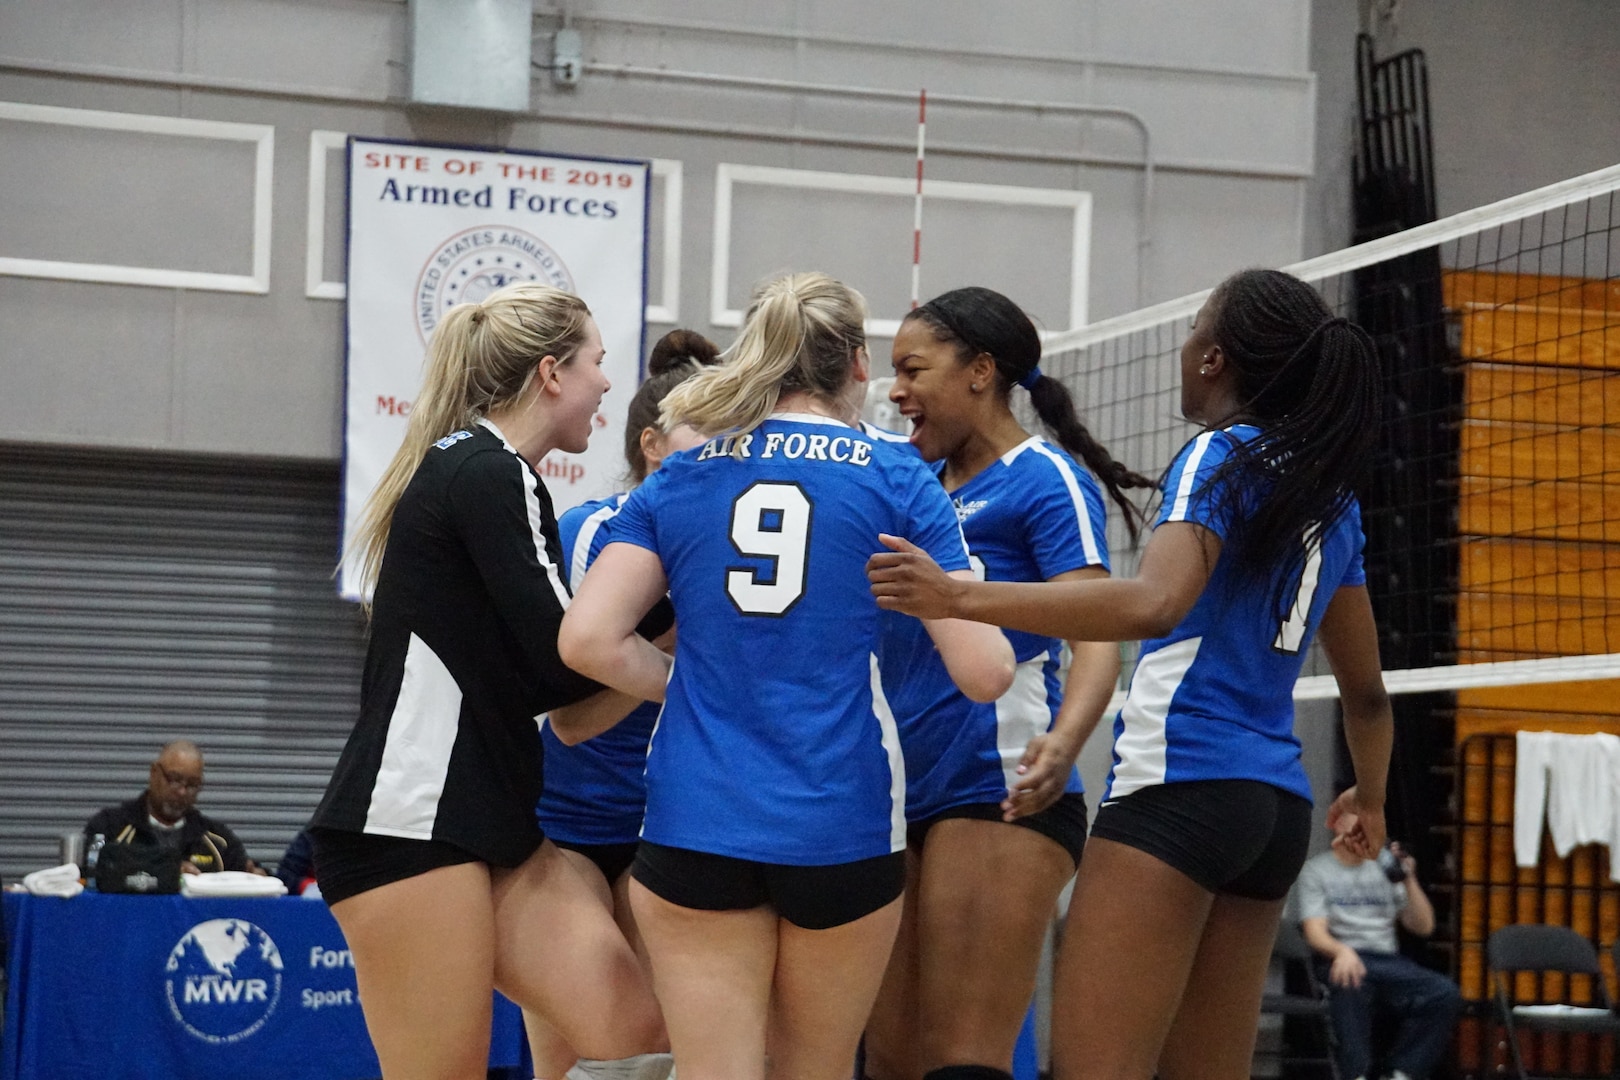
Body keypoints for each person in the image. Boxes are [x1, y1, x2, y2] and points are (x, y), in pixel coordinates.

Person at [866, 268, 1395, 1080]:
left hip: (1176, 785)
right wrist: (1371, 793)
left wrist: (959, 597)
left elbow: (1151, 604)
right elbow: (1366, 691)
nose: (1181, 351)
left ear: (1215, 360)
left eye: (1191, 335)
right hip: (1275, 806)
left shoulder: (1216, 456)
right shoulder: (1329, 492)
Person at [558, 271, 1017, 1080]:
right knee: (817, 1066)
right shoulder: (895, 474)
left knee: (711, 1070)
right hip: (841, 820)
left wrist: (682, 683)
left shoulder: (684, 472)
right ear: (858, 363)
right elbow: (985, 675)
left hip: (696, 813)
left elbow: (587, 641)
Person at [309, 282, 664, 1080]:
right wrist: (677, 599)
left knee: (639, 1027)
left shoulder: (492, 473)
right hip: (410, 829)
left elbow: (546, 693)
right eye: (598, 363)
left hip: (490, 824)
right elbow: (563, 658)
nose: (609, 383)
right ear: (551, 373)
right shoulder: (486, 470)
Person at [863, 288, 1151, 1080]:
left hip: (996, 788)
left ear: (981, 372)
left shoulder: (1040, 479)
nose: (895, 391)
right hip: (893, 790)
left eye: (913, 369)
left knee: (961, 1060)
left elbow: (1098, 627)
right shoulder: (909, 486)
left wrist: (1066, 742)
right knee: (888, 1059)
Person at [524, 328, 720, 1080]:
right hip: (563, 822)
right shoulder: (590, 532)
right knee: (566, 1057)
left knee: (648, 1053)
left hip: (664, 825)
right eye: (706, 439)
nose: (722, 458)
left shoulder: (728, 542)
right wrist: (672, 646)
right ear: (651, 445)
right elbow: (572, 723)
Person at [1298, 832, 1461, 1080]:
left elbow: (1423, 926)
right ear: (1337, 825)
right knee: (1349, 981)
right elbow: (1314, 931)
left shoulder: (1386, 867)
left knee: (1443, 993)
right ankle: (1356, 1074)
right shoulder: (1317, 870)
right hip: (1342, 955)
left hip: (1387, 960)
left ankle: (1402, 1072)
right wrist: (1341, 951)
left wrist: (1408, 880)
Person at [83, 740, 265, 875]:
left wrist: (258, 875)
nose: (182, 792)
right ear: (154, 773)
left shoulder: (216, 839)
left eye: (192, 785)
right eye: (175, 780)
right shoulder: (109, 827)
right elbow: (89, 871)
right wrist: (165, 872)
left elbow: (249, 872)